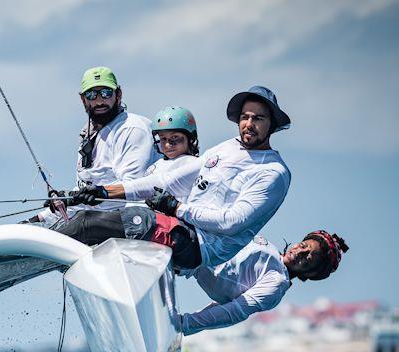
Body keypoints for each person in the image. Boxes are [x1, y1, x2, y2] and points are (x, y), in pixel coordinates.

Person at [67, 86, 292, 271]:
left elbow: (231, 222)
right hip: (178, 227)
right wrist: (103, 191)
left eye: (258, 118)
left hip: (198, 246)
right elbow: (165, 182)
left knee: (88, 223)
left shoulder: (273, 172)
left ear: (271, 124)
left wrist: (177, 208)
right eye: (245, 117)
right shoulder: (228, 147)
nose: (249, 124)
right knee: (91, 219)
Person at [33, 66, 158, 225]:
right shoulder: (88, 133)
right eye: (91, 95)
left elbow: (133, 191)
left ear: (118, 94)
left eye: (106, 93)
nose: (99, 101)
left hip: (136, 224)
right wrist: (41, 218)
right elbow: (85, 192)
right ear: (83, 99)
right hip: (98, 223)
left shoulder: (131, 128)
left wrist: (84, 198)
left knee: (81, 224)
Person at [180, 231, 348, 335]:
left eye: (307, 258)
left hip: (187, 253)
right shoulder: (271, 249)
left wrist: (185, 324)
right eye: (303, 245)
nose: (300, 252)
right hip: (193, 240)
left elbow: (234, 311)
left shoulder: (277, 284)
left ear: (310, 273)